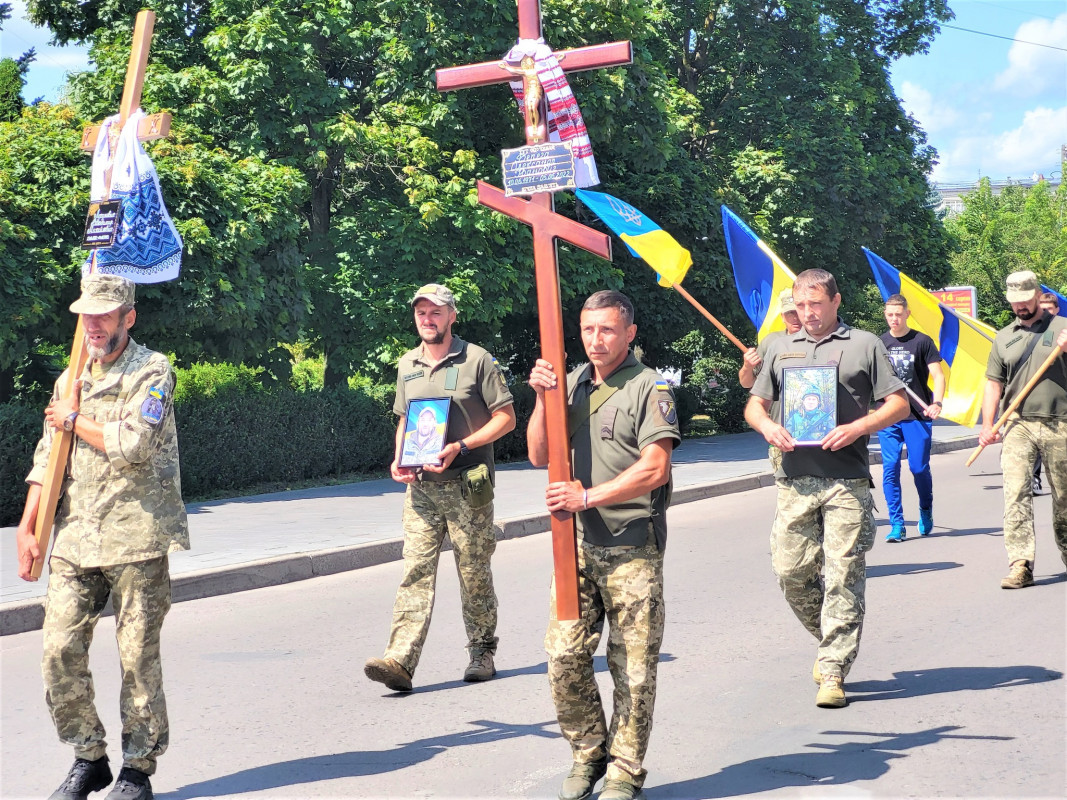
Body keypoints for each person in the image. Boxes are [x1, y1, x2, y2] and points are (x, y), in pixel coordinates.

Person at [15, 274, 189, 800]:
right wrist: (28, 527)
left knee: (136, 657)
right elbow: (48, 457)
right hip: (73, 535)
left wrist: (75, 420)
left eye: (104, 315)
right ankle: (88, 756)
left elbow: (135, 443)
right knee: (57, 651)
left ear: (127, 318)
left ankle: (137, 770)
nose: (92, 324)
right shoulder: (70, 377)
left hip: (137, 535)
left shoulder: (152, 370)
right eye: (86, 315)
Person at [527, 290, 680, 800]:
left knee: (632, 670)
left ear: (629, 333)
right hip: (574, 549)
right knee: (564, 658)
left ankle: (625, 771)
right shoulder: (570, 385)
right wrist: (540, 399)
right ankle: (588, 753)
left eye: (608, 330)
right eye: (589, 330)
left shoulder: (648, 387)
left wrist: (587, 496)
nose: (596, 340)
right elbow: (537, 453)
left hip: (631, 547)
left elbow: (656, 467)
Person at [745, 269, 908, 709]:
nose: (808, 313)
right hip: (795, 478)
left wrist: (859, 426)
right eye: (801, 305)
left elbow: (897, 402)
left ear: (836, 301)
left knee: (842, 575)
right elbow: (754, 405)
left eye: (816, 304)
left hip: (846, 481)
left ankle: (833, 668)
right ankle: (831, 637)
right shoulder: (779, 347)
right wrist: (768, 427)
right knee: (790, 572)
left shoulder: (864, 344)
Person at [365, 283, 516, 691]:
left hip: (468, 485)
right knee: (414, 571)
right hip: (423, 491)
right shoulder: (407, 363)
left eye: (436, 312)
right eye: (421, 313)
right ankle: (400, 660)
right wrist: (400, 459)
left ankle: (482, 651)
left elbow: (506, 418)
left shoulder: (478, 360)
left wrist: (461, 445)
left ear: (452, 315)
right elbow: (404, 420)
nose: (428, 320)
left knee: (473, 572)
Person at [978, 271, 1067, 589]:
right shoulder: (1003, 337)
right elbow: (993, 384)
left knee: (1064, 498)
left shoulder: (1062, 328)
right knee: (1015, 493)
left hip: (1060, 423)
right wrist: (988, 424)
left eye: (1027, 301)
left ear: (1037, 295)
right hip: (1017, 424)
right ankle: (1020, 564)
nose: (1021, 307)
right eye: (1015, 302)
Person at [877, 294, 946, 542]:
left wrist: (936, 402)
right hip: (887, 415)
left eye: (898, 314)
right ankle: (897, 524)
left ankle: (925, 509)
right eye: (889, 314)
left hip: (917, 414)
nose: (894, 319)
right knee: (890, 468)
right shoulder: (879, 344)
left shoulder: (921, 341)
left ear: (907, 314)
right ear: (885, 315)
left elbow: (938, 376)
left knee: (918, 468)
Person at [739, 289, 803, 472]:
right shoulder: (772, 342)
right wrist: (747, 366)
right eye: (790, 313)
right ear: (782, 316)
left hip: (816, 431)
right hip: (781, 432)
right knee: (786, 490)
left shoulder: (821, 340)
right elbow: (747, 383)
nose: (795, 318)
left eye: (798, 311)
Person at [1032, 292, 1060, 493]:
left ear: (1056, 310)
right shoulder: (1029, 332)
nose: (1046, 312)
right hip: (1035, 398)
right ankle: (1033, 479)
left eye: (1049, 309)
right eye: (1042, 308)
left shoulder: (1063, 330)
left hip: (1061, 401)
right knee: (1035, 445)